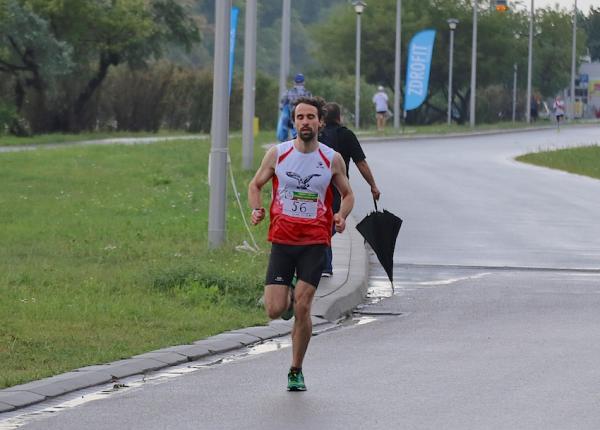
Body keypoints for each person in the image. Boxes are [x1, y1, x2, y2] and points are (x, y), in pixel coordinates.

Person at [248, 96, 354, 392]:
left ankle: (296, 369)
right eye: (300, 117)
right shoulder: (278, 154)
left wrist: (341, 216)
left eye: (310, 117)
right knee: (274, 310)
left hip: (315, 241)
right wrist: (256, 208)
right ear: (293, 122)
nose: (305, 122)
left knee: (304, 306)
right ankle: (289, 295)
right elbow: (255, 185)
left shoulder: (331, 158)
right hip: (283, 240)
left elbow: (347, 195)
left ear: (320, 122)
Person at [319, 102, 381, 277]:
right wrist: (373, 186)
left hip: (316, 186)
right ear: (339, 118)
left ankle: (323, 265)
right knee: (330, 223)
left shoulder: (317, 134)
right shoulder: (346, 135)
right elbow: (361, 163)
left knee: (323, 223)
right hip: (337, 188)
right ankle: (324, 266)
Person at [277, 73, 312, 142]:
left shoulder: (288, 92)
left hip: (293, 116)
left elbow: (281, 105)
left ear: (294, 82)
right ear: (304, 82)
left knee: (293, 129)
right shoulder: (307, 93)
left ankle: (286, 139)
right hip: (301, 116)